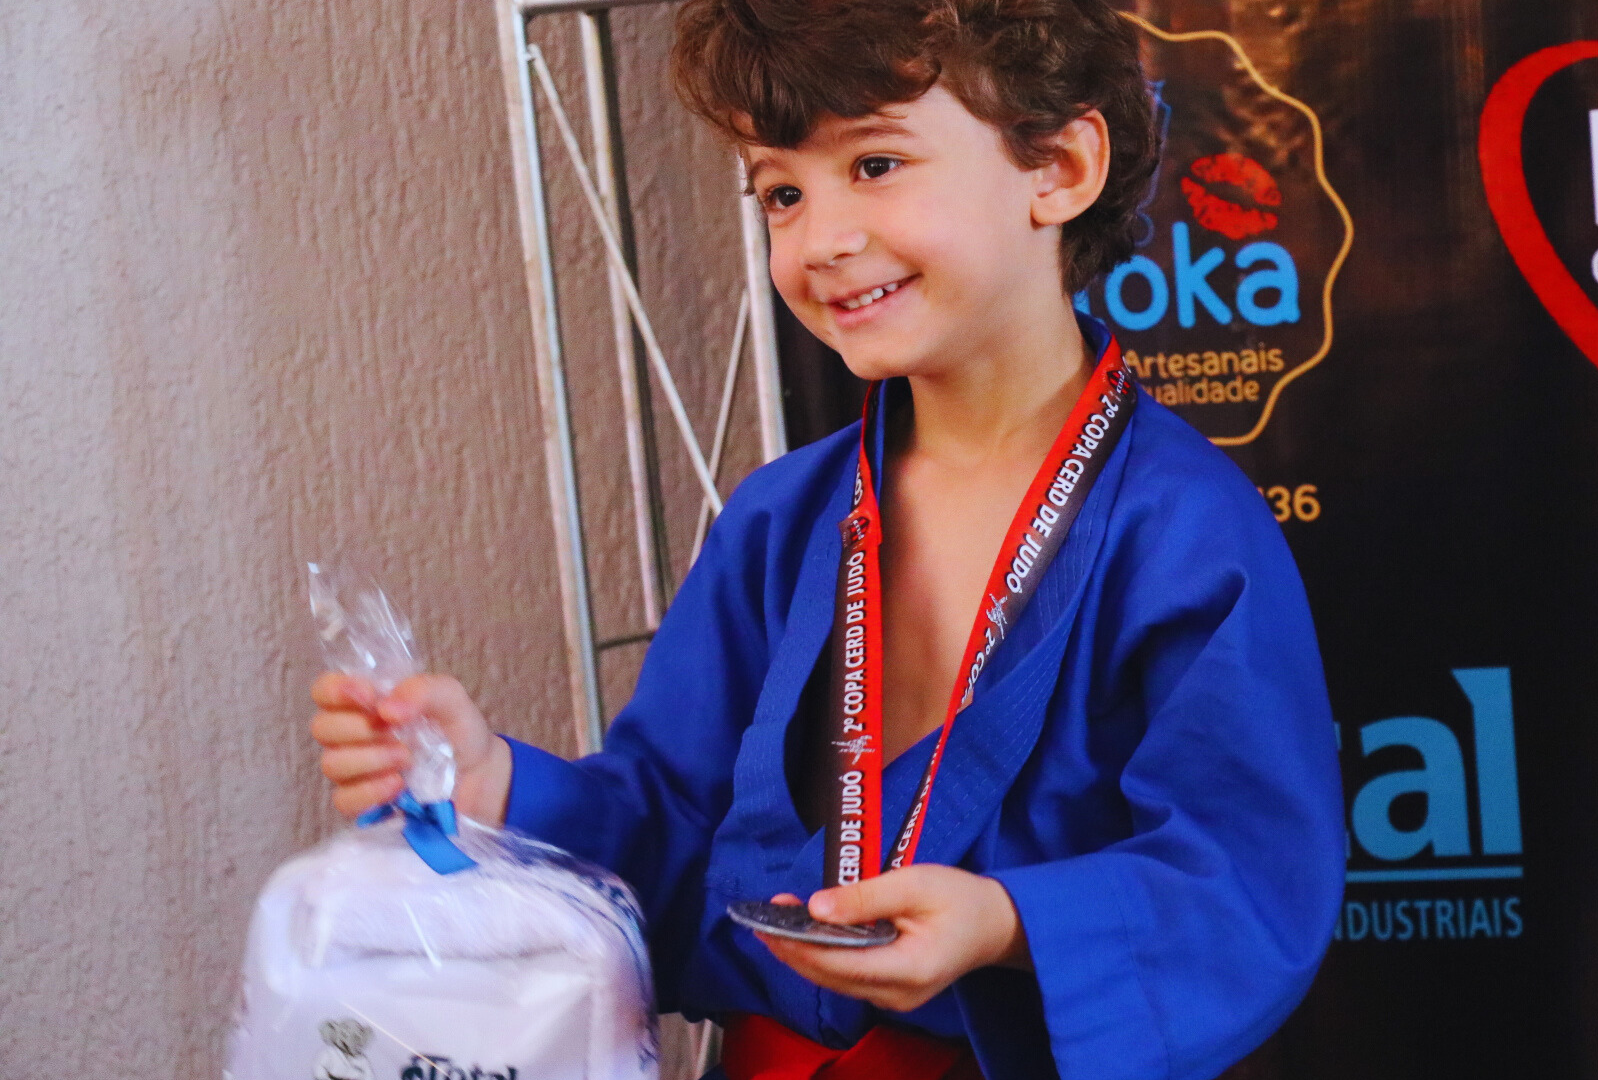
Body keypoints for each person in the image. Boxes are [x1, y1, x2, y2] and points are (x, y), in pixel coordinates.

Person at [309, 1, 1344, 1077]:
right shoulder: (779, 521)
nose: (823, 241)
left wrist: (1006, 922)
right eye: (782, 193)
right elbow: (671, 829)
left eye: (877, 165)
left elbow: (1244, 875)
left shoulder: (1185, 530)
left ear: (1060, 167)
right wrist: (494, 784)